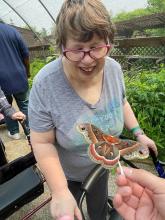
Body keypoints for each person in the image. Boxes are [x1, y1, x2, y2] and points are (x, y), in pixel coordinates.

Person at [28, 0, 157, 219]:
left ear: (109, 42)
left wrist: (139, 133)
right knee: (72, 206)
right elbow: (42, 142)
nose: (88, 60)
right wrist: (59, 191)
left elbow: (122, 102)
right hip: (68, 174)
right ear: (61, 46)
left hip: (103, 165)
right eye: (77, 49)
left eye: (96, 48)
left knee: (99, 209)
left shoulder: (114, 69)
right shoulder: (46, 84)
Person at [0, 21, 30, 140]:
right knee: (24, 104)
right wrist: (27, 71)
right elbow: (25, 54)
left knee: (6, 105)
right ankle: (30, 129)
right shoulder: (12, 30)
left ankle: (14, 132)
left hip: (2, 79)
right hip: (19, 75)